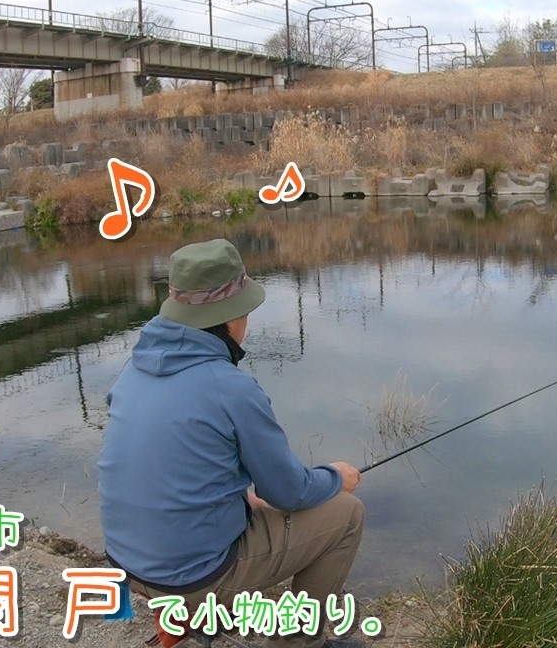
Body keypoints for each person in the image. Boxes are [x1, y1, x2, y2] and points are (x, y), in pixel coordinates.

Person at [98, 238, 366, 648]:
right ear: (230, 316)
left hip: (126, 566)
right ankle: (296, 645)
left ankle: (185, 626)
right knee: (346, 514)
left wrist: (242, 500)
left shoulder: (132, 372)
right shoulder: (231, 387)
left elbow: (181, 465)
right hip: (192, 578)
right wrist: (335, 477)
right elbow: (288, 491)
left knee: (245, 509)